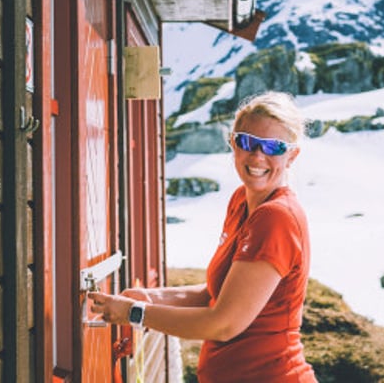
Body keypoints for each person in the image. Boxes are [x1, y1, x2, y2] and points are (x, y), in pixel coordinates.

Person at [88, 91, 317, 382]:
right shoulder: (242, 202)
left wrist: (136, 313)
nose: (258, 155)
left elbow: (224, 323)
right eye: (247, 142)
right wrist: (151, 298)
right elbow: (215, 294)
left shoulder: (276, 217)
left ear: (292, 155)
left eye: (273, 147)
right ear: (233, 143)